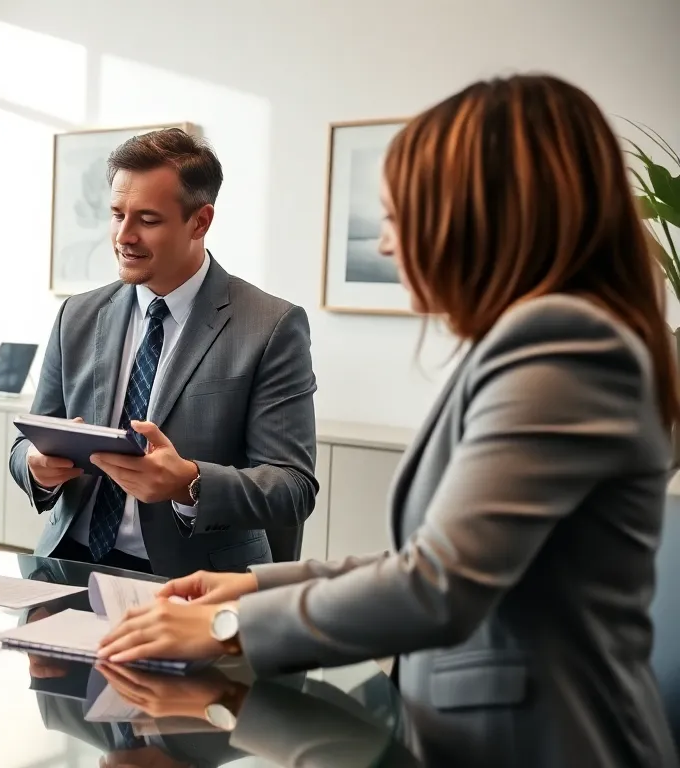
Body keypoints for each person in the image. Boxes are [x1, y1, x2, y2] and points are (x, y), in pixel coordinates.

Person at [95, 75, 680, 768]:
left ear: (482, 217)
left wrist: (224, 628)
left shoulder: (565, 348)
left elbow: (438, 586)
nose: (384, 246)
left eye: (398, 218)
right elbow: (437, 558)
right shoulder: (531, 341)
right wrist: (253, 585)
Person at [7, 128, 318, 577]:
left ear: (201, 221)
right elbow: (27, 443)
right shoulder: (76, 315)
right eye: (117, 215)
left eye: (148, 220)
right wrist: (36, 466)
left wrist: (190, 482)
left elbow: (292, 487)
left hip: (190, 583)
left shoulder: (270, 327)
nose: (124, 236)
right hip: (65, 567)